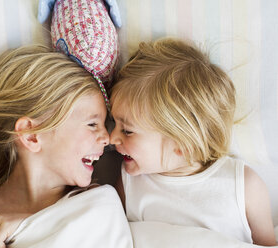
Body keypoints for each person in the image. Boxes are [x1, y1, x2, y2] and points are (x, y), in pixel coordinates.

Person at [0, 45, 132, 248]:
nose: (107, 138)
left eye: (104, 125)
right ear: (31, 135)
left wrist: (30, 226)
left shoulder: (94, 206)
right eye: (92, 124)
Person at [109, 38, 277, 246]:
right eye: (113, 123)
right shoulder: (129, 184)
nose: (111, 138)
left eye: (127, 131)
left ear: (182, 145)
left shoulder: (243, 186)